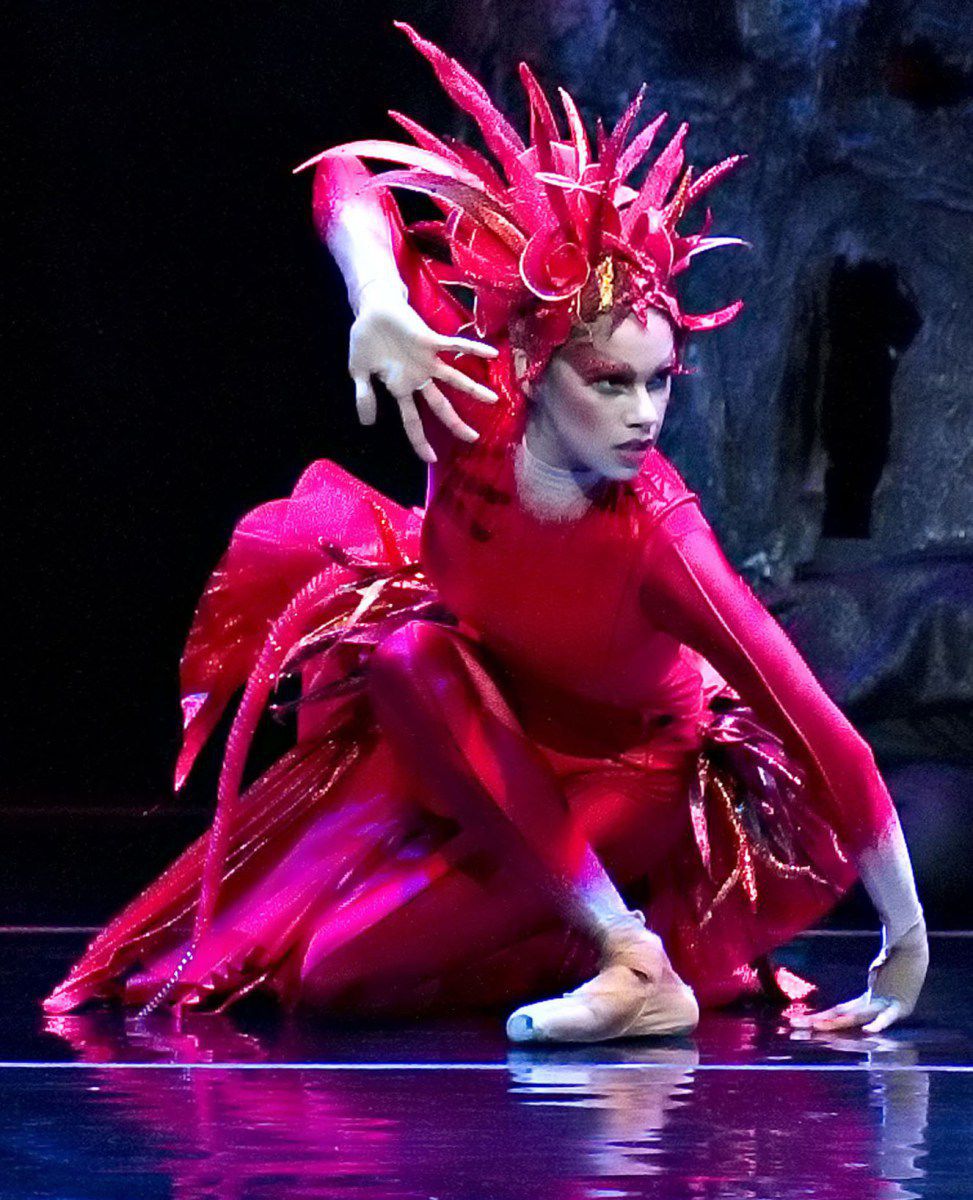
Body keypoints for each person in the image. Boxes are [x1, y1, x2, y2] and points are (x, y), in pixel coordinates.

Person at [44, 22, 928, 1042]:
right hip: (472, 729)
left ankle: (637, 952)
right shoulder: (466, 402)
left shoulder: (659, 538)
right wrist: (375, 297)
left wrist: (903, 936)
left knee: (342, 969)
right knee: (405, 665)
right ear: (532, 373)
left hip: (626, 775)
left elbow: (820, 728)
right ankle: (631, 951)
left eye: (657, 383)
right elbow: (342, 174)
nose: (644, 414)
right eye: (609, 383)